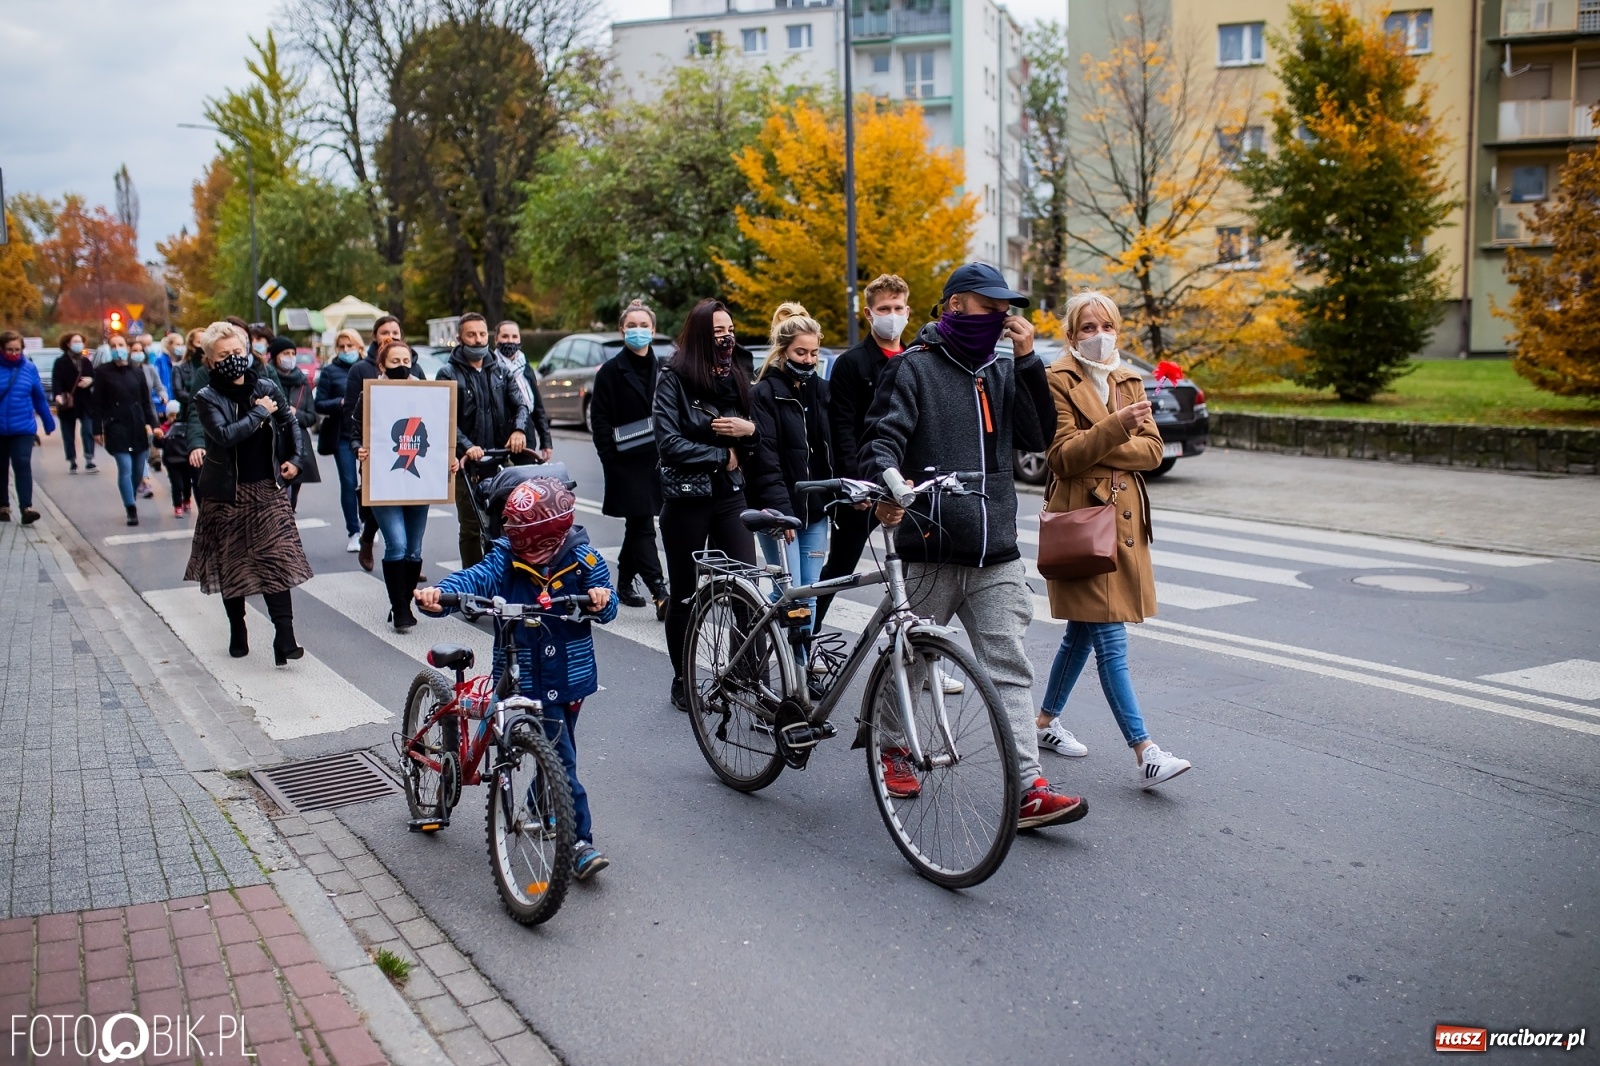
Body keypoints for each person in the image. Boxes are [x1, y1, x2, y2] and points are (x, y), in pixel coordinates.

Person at [860, 262, 1086, 829]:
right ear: (957, 305)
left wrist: (1030, 361)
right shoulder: (915, 368)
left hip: (996, 551)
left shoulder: (1004, 370)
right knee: (909, 664)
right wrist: (888, 479)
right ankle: (892, 748)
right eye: (993, 305)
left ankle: (1029, 787)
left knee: (1009, 668)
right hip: (930, 546)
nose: (1005, 315)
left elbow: (1037, 440)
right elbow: (880, 438)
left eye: (1008, 306)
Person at [416, 477, 617, 880]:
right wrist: (440, 593)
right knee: (562, 757)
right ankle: (579, 842)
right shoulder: (505, 558)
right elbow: (473, 579)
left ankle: (546, 804)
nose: (523, 546)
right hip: (523, 674)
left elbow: (607, 599)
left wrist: (600, 600)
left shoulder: (585, 559)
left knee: (558, 751)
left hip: (570, 677)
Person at [1036, 291, 1192, 788]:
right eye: (1087, 326)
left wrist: (1104, 441)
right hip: (1084, 524)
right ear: (1071, 333)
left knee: (1083, 632)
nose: (1099, 335)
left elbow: (1153, 452)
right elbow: (1061, 457)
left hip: (1122, 525)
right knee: (1110, 639)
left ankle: (1042, 723)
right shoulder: (1056, 379)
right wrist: (1117, 427)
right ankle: (1144, 748)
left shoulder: (1128, 377)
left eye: (1107, 325)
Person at [653, 298, 760, 711]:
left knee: (747, 590)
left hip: (731, 496)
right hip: (687, 500)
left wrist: (748, 431)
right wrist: (721, 455)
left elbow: (758, 435)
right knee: (685, 594)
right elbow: (668, 443)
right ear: (700, 335)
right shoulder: (673, 378)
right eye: (718, 332)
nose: (727, 337)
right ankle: (683, 681)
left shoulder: (738, 373)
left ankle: (749, 679)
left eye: (730, 329)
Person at [185, 321, 312, 664]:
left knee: (277, 559)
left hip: (267, 488)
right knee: (233, 564)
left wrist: (296, 460)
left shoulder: (267, 385)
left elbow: (290, 422)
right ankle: (237, 626)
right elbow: (225, 436)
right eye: (223, 355)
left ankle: (285, 637)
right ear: (210, 362)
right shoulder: (206, 397)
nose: (232, 359)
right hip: (227, 493)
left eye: (237, 352)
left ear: (247, 351)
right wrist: (259, 412)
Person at [815, 273, 910, 631]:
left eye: (898, 307)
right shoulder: (851, 363)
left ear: (908, 310)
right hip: (862, 484)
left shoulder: (917, 358)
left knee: (915, 572)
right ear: (868, 314)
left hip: (904, 482)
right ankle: (804, 644)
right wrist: (853, 484)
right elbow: (841, 429)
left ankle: (917, 653)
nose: (892, 314)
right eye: (884, 308)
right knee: (840, 567)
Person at [749, 303, 833, 648]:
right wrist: (782, 514)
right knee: (791, 596)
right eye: (801, 352)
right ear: (782, 352)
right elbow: (766, 460)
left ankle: (799, 669)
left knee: (809, 595)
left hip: (816, 512)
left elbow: (833, 448)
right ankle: (756, 650)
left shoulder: (822, 391)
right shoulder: (763, 394)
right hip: (779, 511)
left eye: (813, 352)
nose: (809, 360)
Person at [588, 300, 667, 618]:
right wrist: (610, 458)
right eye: (631, 326)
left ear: (653, 330)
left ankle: (622, 582)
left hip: (658, 460)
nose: (638, 331)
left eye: (643, 325)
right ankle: (660, 592)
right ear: (622, 330)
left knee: (638, 524)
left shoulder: (664, 368)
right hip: (625, 462)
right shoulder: (610, 372)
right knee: (643, 524)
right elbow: (600, 419)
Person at [435, 313, 532, 569]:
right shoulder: (447, 374)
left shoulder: (501, 371)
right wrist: (467, 446)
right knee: (470, 526)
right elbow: (444, 418)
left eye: (481, 334)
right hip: (466, 464)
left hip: (499, 458)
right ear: (459, 338)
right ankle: (473, 580)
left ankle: (503, 574)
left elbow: (521, 404)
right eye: (471, 335)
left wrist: (518, 431)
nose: (478, 340)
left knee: (508, 521)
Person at [355, 340, 439, 630]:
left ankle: (405, 600)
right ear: (382, 366)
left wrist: (448, 459)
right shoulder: (370, 395)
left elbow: (440, 433)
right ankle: (400, 607)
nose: (402, 366)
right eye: (395, 361)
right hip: (383, 480)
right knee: (398, 544)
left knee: (414, 549)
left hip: (420, 481)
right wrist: (359, 448)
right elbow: (355, 432)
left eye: (407, 360)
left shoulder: (427, 394)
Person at [344, 315, 419, 569]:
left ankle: (409, 559)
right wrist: (360, 448)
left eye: (395, 331)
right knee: (384, 510)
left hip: (410, 454)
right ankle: (371, 540)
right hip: (379, 458)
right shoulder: (361, 371)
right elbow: (355, 421)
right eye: (384, 331)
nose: (390, 335)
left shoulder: (418, 378)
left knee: (410, 521)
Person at [94, 334, 159, 526]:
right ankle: (130, 508)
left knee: (138, 470)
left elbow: (146, 402)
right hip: (116, 426)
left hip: (138, 426)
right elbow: (96, 403)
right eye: (113, 345)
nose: (117, 348)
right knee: (125, 467)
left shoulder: (137, 372)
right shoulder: (103, 373)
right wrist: (97, 429)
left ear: (127, 348)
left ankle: (131, 496)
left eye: (120, 345)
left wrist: (154, 425)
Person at [0, 330, 56, 525]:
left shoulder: (29, 369)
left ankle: (26, 507)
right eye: (9, 350)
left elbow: (39, 397)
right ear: (2, 349)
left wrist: (48, 421)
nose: (14, 353)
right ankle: (3, 506)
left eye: (17, 350)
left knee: (22, 463)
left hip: (23, 426)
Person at [318, 328, 366, 549]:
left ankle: (369, 524)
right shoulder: (329, 371)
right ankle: (353, 532)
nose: (346, 350)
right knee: (348, 483)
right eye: (342, 347)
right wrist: (340, 402)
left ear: (359, 347)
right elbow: (319, 403)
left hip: (368, 435)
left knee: (369, 485)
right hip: (342, 436)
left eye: (350, 346)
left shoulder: (368, 368)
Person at [271, 337, 321, 510]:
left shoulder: (302, 381)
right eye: (286, 353)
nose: (290, 357)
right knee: (279, 494)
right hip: (276, 442)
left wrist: (296, 414)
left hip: (298, 442)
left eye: (293, 353)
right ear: (276, 356)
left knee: (293, 494)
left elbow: (311, 416)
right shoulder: (268, 379)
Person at [494, 320, 553, 461]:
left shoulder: (525, 366)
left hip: (526, 433)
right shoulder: (490, 367)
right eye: (505, 336)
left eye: (514, 337)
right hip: (499, 435)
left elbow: (537, 405)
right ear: (496, 339)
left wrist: (546, 440)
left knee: (525, 478)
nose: (510, 341)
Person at [51, 331, 97, 473]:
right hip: (68, 401)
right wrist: (57, 395)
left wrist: (91, 381)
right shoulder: (60, 362)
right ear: (68, 344)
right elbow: (56, 380)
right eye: (75, 342)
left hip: (85, 401)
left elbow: (93, 377)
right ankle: (72, 461)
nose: (79, 344)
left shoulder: (85, 361)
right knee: (68, 433)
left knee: (88, 429)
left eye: (80, 341)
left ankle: (89, 459)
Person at [155, 400, 193, 517]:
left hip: (186, 460)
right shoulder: (164, 429)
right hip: (172, 461)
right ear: (168, 416)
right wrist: (158, 438)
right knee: (177, 485)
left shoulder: (186, 427)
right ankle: (177, 506)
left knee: (187, 483)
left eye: (177, 415)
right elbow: (159, 444)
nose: (174, 418)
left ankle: (186, 499)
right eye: (172, 415)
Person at [173, 327, 206, 408]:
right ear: (191, 344)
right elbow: (179, 393)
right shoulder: (179, 368)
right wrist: (201, 400)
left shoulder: (213, 366)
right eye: (199, 342)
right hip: (189, 412)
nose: (202, 346)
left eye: (204, 342)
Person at [152, 333, 179, 401]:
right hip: (165, 400)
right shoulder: (160, 360)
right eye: (178, 344)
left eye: (181, 344)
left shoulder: (180, 360)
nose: (180, 347)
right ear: (169, 345)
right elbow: (157, 383)